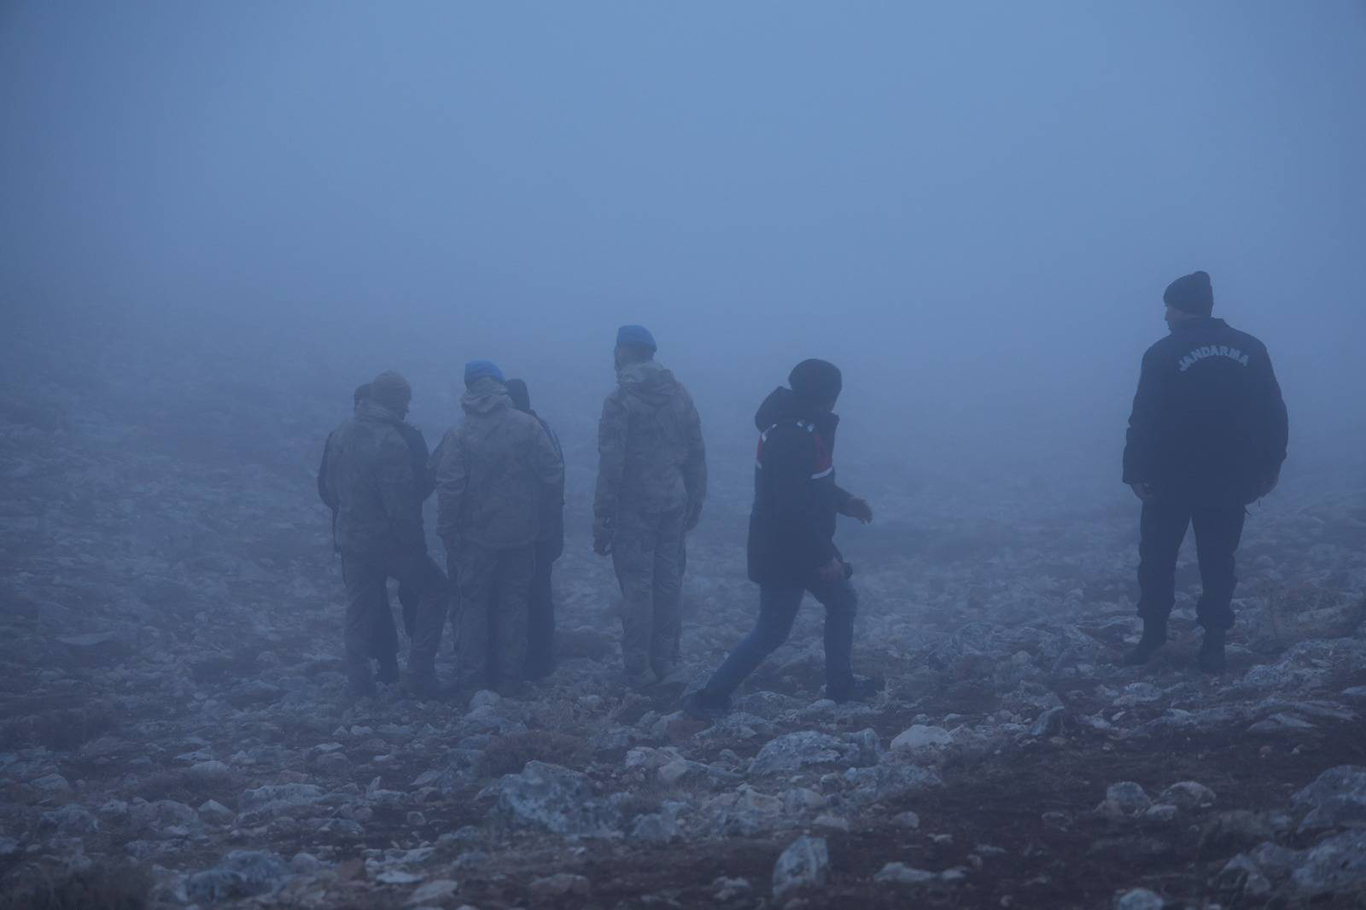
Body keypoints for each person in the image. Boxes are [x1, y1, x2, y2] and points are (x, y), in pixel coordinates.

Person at [684, 359, 881, 719]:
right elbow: (790, 506)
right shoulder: (793, 436)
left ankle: (842, 687)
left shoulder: (799, 429)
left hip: (797, 542)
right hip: (786, 549)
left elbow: (809, 488)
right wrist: (825, 558)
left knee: (841, 601)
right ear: (830, 397)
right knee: (773, 629)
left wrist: (846, 502)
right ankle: (709, 698)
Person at [1122, 271, 1288, 672]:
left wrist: (1134, 472)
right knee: (1218, 563)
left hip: (1169, 480)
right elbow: (1274, 411)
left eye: (1169, 306)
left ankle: (1153, 637)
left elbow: (1143, 418)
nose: (1164, 315)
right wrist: (1272, 464)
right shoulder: (1251, 348)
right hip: (1231, 479)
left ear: (1182, 308)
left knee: (1157, 560)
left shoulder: (1162, 353)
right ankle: (1214, 646)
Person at [436, 361, 563, 695]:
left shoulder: (460, 433)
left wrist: (448, 532)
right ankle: (509, 681)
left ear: (469, 388)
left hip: (474, 537)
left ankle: (472, 683)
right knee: (514, 605)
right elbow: (552, 474)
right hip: (522, 535)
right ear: (501, 385)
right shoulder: (528, 426)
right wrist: (540, 517)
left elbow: (450, 488)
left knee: (472, 607)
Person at [319, 371, 449, 697]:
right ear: (394, 401)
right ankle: (419, 673)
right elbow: (400, 504)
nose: (406, 410)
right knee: (436, 590)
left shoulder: (341, 433)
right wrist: (415, 547)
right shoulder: (391, 440)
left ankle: (359, 682)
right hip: (387, 541)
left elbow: (330, 489)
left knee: (359, 609)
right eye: (404, 402)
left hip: (350, 537)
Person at [593, 325, 706, 689]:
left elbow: (612, 463)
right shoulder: (680, 394)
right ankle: (666, 661)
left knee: (638, 586)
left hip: (634, 506)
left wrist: (603, 513)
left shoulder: (620, 399)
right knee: (669, 580)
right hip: (674, 499)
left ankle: (637, 668)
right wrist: (696, 497)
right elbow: (696, 451)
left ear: (624, 352)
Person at [506, 378, 565, 679]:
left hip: (525, 531)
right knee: (539, 595)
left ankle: (525, 660)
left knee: (519, 595)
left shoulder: (517, 430)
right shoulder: (545, 428)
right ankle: (541, 660)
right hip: (546, 529)